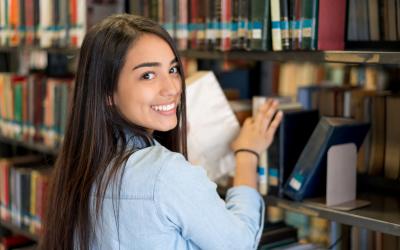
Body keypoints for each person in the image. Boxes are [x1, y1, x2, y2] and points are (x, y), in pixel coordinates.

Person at [40, 14, 282, 250]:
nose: (171, 88)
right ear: (107, 92)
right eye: (148, 75)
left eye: (173, 69)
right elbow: (240, 244)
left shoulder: (80, 165)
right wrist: (247, 153)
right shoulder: (165, 174)